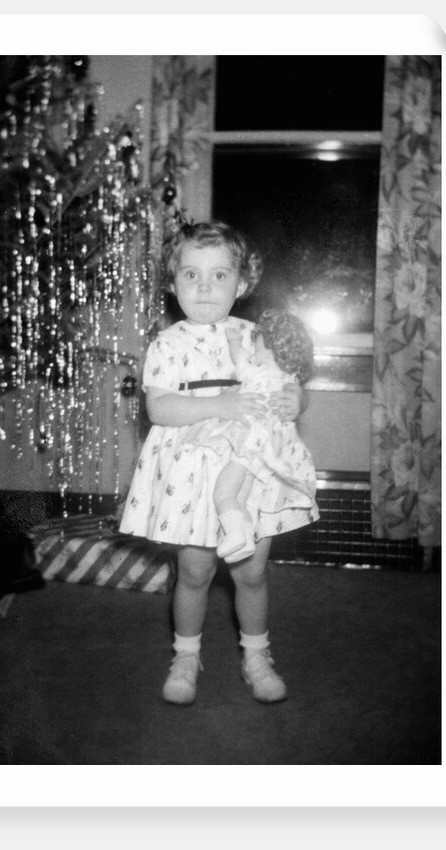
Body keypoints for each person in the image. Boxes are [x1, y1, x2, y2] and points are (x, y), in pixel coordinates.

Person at [119, 221, 319, 705]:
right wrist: (218, 406)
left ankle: (257, 654)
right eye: (191, 275)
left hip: (251, 471)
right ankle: (186, 655)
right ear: (172, 282)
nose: (204, 287)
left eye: (218, 275)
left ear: (242, 283)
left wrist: (297, 401)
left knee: (251, 573)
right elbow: (159, 409)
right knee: (195, 573)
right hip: (191, 473)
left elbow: (285, 386)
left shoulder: (256, 336)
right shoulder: (167, 344)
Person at [183, 309, 317, 565]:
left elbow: (240, 361)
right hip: (267, 450)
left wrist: (235, 342)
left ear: (269, 346)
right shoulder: (287, 378)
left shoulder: (259, 372)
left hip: (248, 444)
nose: (252, 346)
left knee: (224, 492)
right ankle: (243, 538)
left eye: (256, 342)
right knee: (242, 497)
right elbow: (298, 394)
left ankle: (233, 533)